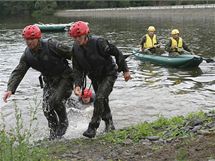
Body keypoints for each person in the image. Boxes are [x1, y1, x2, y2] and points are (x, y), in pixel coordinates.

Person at [3, 25, 74, 140]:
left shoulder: (51, 45)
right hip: (49, 81)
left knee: (55, 101)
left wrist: (84, 72)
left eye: (31, 39)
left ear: (38, 38)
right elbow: (19, 71)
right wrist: (10, 89)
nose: (29, 42)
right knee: (46, 107)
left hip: (65, 77)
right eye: (27, 39)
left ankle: (63, 124)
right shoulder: (27, 55)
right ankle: (53, 132)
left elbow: (73, 54)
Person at [69, 21, 131, 138]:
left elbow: (116, 52)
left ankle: (92, 128)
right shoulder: (75, 49)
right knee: (103, 100)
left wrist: (125, 70)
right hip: (94, 77)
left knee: (100, 97)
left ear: (86, 34)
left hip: (109, 74)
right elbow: (77, 69)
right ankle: (109, 124)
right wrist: (77, 85)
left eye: (79, 36)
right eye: (75, 37)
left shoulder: (99, 42)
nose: (77, 39)